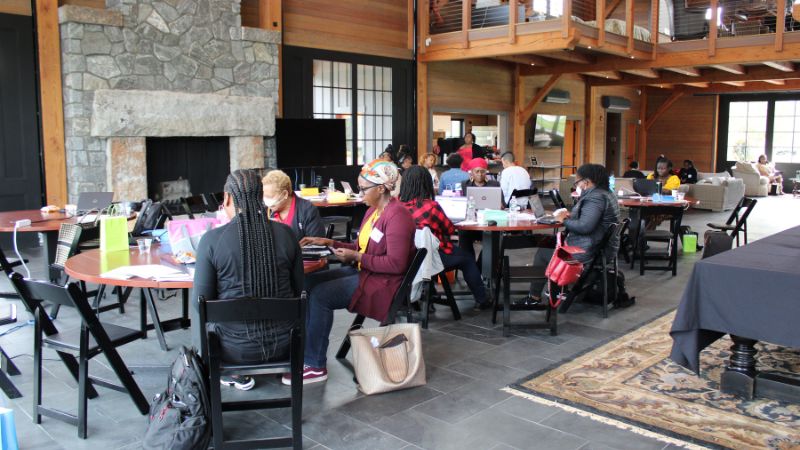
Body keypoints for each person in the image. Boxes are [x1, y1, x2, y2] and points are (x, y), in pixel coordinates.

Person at [288, 160, 415, 385]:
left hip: (384, 283)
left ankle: (315, 364)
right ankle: (307, 353)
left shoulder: (398, 216)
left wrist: (357, 258)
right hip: (368, 272)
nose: (359, 193)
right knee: (307, 283)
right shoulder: (373, 212)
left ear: (382, 188)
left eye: (363, 188)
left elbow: (396, 264)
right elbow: (360, 248)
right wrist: (327, 242)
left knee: (320, 296)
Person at [192, 169, 305, 391]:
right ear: (260, 196)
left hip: (231, 348)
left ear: (226, 198)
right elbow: (299, 291)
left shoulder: (211, 241)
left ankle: (215, 370)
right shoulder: (287, 235)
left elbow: (200, 303)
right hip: (286, 344)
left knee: (198, 309)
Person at [399, 166, 490, 311]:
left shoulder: (397, 207)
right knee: (467, 258)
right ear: (426, 184)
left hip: (407, 258)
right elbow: (449, 229)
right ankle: (482, 299)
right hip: (434, 257)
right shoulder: (431, 206)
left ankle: (427, 296)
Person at [528, 164, 620, 301]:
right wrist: (571, 216)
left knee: (543, 252)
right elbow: (592, 220)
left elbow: (585, 227)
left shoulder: (596, 197)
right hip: (600, 250)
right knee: (549, 245)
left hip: (586, 254)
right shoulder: (606, 193)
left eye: (578, 182)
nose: (577, 186)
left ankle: (534, 297)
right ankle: (558, 289)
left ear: (587, 182)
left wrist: (563, 220)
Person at [262, 169, 324, 240]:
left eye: (270, 197)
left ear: (285, 194)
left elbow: (317, 244)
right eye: (264, 196)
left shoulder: (307, 210)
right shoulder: (267, 211)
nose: (266, 200)